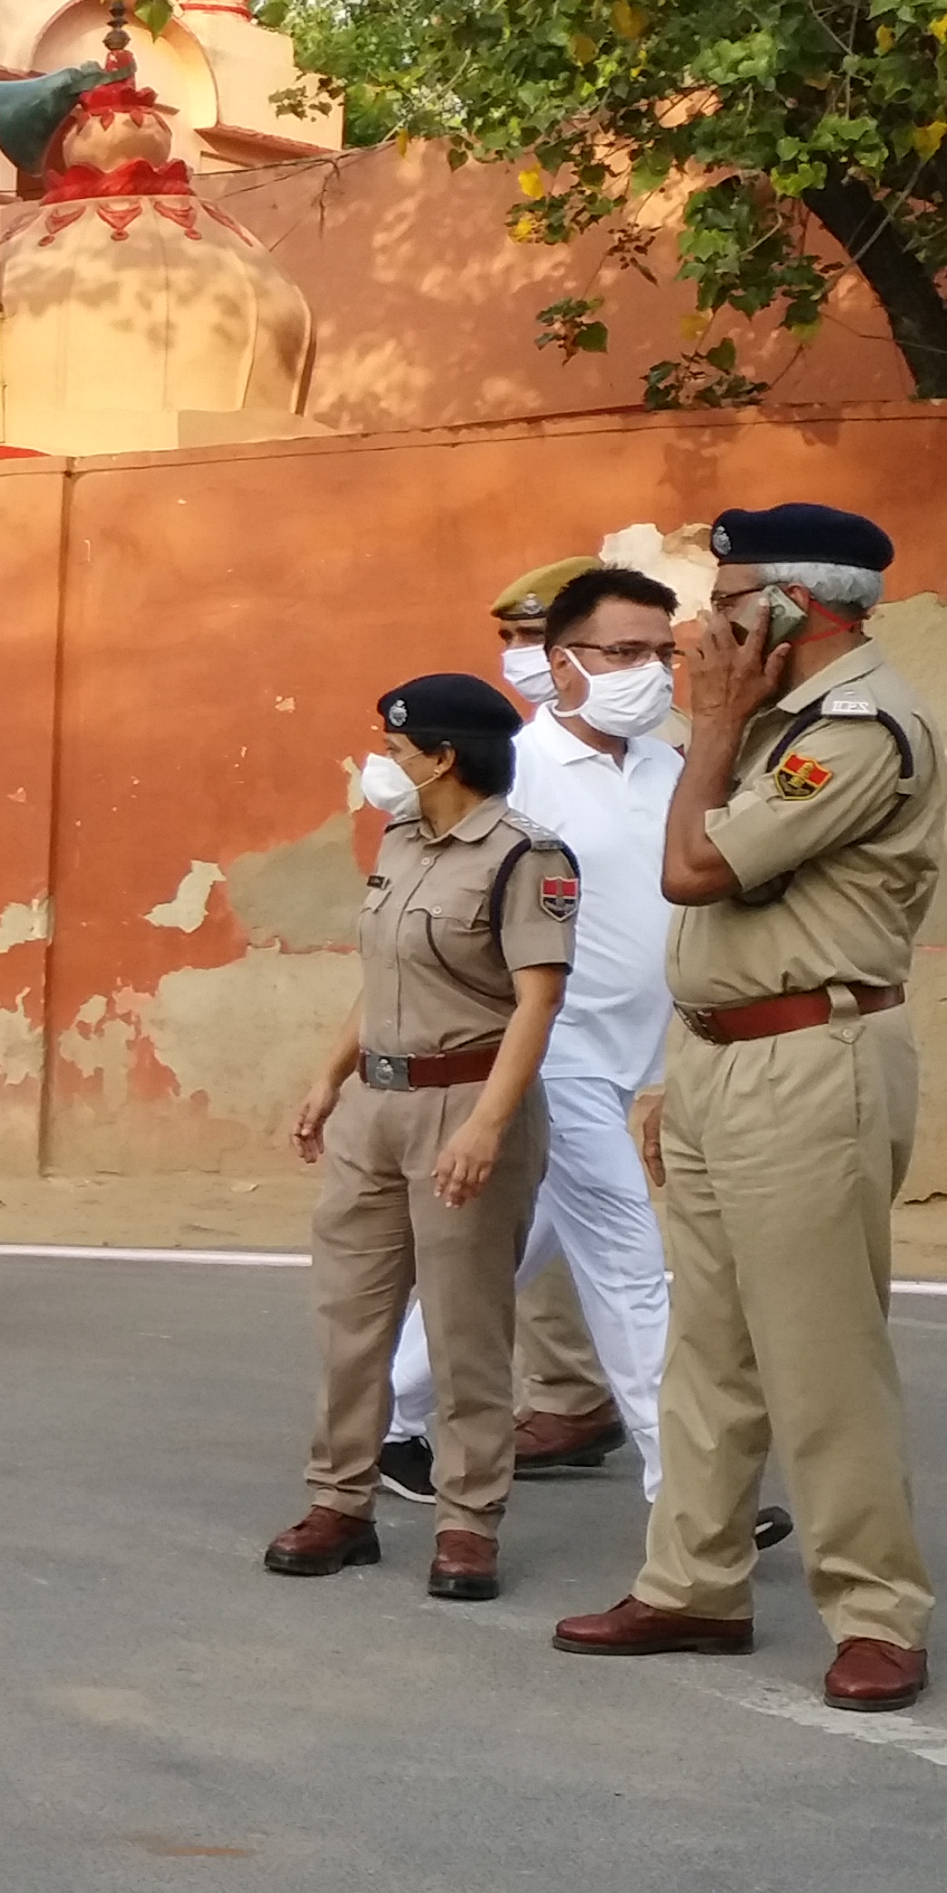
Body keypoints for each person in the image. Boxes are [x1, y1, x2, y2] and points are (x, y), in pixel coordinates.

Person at [555, 503, 945, 1711]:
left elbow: (697, 871)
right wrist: (684, 1065)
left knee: (820, 1353)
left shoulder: (861, 729)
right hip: (727, 1055)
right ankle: (694, 1585)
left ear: (796, 606)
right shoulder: (777, 727)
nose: (699, 630)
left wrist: (713, 726)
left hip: (812, 1056)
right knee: (707, 1347)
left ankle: (876, 1610)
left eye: (726, 601)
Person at [264, 675, 577, 1600]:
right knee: (350, 1318)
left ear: (444, 757)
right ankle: (339, 1502)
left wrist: (486, 1125)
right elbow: (384, 976)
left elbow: (539, 1000)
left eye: (397, 749)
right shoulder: (402, 842)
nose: (382, 764)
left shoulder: (527, 857)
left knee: (465, 1325)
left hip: (467, 1103)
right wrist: (329, 1078)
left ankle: (468, 1520)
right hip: (378, 1105)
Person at [376, 568, 680, 1506]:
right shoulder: (516, 771)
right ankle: (690, 1492)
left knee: (518, 1249)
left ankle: (389, 1418)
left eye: (664, 653)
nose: (653, 673)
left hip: (643, 1055)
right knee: (631, 1261)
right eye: (626, 653)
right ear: (563, 663)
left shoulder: (676, 767)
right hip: (554, 1054)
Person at [491, 554, 595, 713]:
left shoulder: (641, 726)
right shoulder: (523, 738)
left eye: (534, 634)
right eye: (508, 637)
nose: (515, 650)